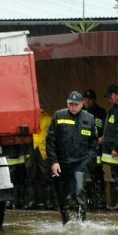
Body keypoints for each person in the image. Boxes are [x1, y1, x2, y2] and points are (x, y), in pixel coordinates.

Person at [47, 91, 98, 224]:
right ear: (67, 103)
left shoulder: (89, 118)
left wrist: (88, 160)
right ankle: (65, 220)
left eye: (76, 104)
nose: (73, 107)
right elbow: (50, 141)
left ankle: (83, 222)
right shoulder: (59, 116)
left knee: (78, 190)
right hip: (61, 162)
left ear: (82, 104)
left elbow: (94, 143)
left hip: (80, 162)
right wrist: (53, 162)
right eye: (70, 104)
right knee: (61, 195)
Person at [24, 99, 54, 210]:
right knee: (30, 177)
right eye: (38, 106)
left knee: (46, 177)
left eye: (41, 106)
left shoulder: (48, 119)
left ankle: (48, 201)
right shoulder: (28, 118)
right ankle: (32, 201)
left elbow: (52, 136)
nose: (40, 108)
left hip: (43, 151)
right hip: (31, 149)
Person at [82, 89, 107, 209]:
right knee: (82, 174)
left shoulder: (101, 112)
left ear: (94, 100)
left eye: (89, 99)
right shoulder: (80, 112)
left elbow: (105, 129)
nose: (86, 101)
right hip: (83, 149)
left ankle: (100, 199)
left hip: (96, 149)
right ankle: (86, 200)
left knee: (97, 173)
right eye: (85, 99)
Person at [101, 85, 118, 210]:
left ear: (116, 94)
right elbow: (111, 128)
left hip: (116, 150)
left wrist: (116, 148)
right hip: (110, 148)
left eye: (110, 96)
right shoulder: (113, 109)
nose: (109, 99)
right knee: (115, 176)